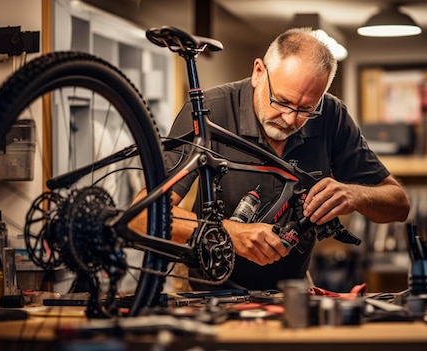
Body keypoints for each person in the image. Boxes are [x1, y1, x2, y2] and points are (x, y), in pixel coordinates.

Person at [134, 27, 410, 291]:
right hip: (205, 288)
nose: (290, 119)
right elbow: (143, 216)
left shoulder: (331, 116)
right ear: (257, 73)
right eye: (281, 101)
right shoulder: (210, 112)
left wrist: (354, 195)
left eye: (306, 110)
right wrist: (230, 232)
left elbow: (398, 204)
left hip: (289, 289)